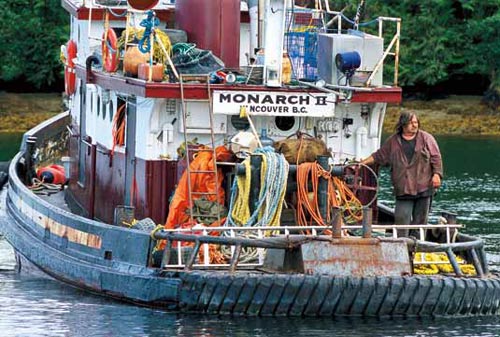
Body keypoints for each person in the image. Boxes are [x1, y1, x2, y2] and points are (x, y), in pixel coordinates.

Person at [361, 111, 443, 238]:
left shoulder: (427, 138)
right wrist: (361, 163)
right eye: (410, 123)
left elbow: (436, 158)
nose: (414, 125)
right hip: (403, 189)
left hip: (424, 187)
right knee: (401, 221)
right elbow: (378, 156)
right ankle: (402, 246)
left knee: (420, 223)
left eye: (415, 122)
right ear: (403, 124)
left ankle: (417, 248)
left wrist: (437, 174)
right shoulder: (393, 141)